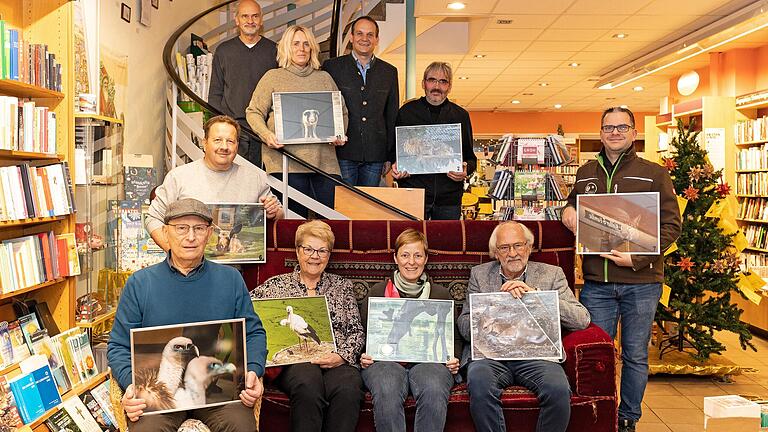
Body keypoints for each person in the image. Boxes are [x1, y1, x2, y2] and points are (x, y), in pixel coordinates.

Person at [561, 106, 681, 432]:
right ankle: (596, 413)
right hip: (597, 282)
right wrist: (568, 212)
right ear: (601, 132)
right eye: (609, 127)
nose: (615, 132)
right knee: (592, 352)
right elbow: (572, 206)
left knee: (635, 355)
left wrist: (639, 259)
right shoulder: (586, 172)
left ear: (633, 132)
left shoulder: (654, 173)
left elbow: (672, 226)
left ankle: (628, 418)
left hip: (641, 281)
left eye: (622, 127)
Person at [107, 198, 267, 431]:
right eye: (181, 228)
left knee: (241, 426)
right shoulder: (140, 283)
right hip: (159, 401)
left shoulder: (231, 279)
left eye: (199, 228)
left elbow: (253, 333)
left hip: (219, 396)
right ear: (165, 232)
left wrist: (253, 369)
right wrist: (132, 385)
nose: (190, 237)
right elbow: (118, 346)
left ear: (209, 233)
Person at [457, 221, 591, 432]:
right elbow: (464, 327)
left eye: (518, 245)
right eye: (504, 248)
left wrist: (537, 296)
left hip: (537, 356)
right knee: (478, 382)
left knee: (558, 389)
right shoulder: (480, 275)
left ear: (529, 247)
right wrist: (494, 305)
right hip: (492, 358)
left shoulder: (552, 274)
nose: (513, 253)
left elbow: (581, 319)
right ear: (495, 253)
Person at [250, 220, 364, 432]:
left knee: (349, 388)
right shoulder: (277, 285)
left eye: (322, 250)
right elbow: (247, 308)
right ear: (297, 251)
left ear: (329, 255)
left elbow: (356, 332)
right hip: (296, 363)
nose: (315, 256)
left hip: (337, 360)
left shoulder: (342, 286)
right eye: (309, 249)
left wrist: (341, 357)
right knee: (308, 384)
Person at [358, 228, 460, 432]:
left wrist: (454, 358)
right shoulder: (378, 292)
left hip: (428, 362)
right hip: (385, 362)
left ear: (426, 258)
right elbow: (363, 334)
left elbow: (454, 340)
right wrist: (363, 355)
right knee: (386, 386)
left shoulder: (441, 294)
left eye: (417, 255)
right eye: (405, 255)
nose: (411, 262)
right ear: (395, 258)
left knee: (433, 387)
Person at [246, 25, 348, 217]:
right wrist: (266, 135)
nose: (301, 49)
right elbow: (253, 112)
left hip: (324, 164)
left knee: (329, 222)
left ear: (312, 49)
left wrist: (339, 132)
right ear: (286, 48)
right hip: (285, 164)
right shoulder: (272, 77)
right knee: (290, 223)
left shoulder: (324, 78)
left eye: (306, 44)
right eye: (296, 44)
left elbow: (341, 112)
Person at [145, 115, 283, 252]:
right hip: (189, 270)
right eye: (217, 140)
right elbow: (153, 219)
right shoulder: (178, 177)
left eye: (230, 141)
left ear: (237, 145)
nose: (224, 147)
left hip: (241, 270)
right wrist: (174, 253)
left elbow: (279, 215)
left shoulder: (254, 179)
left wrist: (274, 212)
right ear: (204, 143)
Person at [392, 62, 477, 220]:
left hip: (449, 199)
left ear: (449, 86)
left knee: (445, 244)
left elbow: (471, 159)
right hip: (413, 194)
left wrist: (466, 169)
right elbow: (394, 153)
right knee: (411, 242)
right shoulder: (406, 113)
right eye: (432, 80)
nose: (437, 86)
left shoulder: (460, 116)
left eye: (443, 81)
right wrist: (396, 166)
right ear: (423, 83)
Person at [322, 16, 399, 187]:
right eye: (360, 33)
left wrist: (390, 156)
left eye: (370, 35)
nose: (365, 39)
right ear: (351, 37)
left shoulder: (389, 72)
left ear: (377, 40)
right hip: (343, 152)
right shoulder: (332, 67)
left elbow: (391, 116)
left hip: (375, 154)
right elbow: (325, 108)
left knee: (369, 208)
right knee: (344, 207)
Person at [207, 0, 277, 167]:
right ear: (236, 20)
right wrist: (219, 126)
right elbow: (216, 92)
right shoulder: (224, 51)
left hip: (264, 131)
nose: (250, 20)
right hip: (233, 130)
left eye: (255, 16)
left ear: (261, 20)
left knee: (262, 183)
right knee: (231, 180)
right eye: (245, 16)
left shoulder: (274, 50)